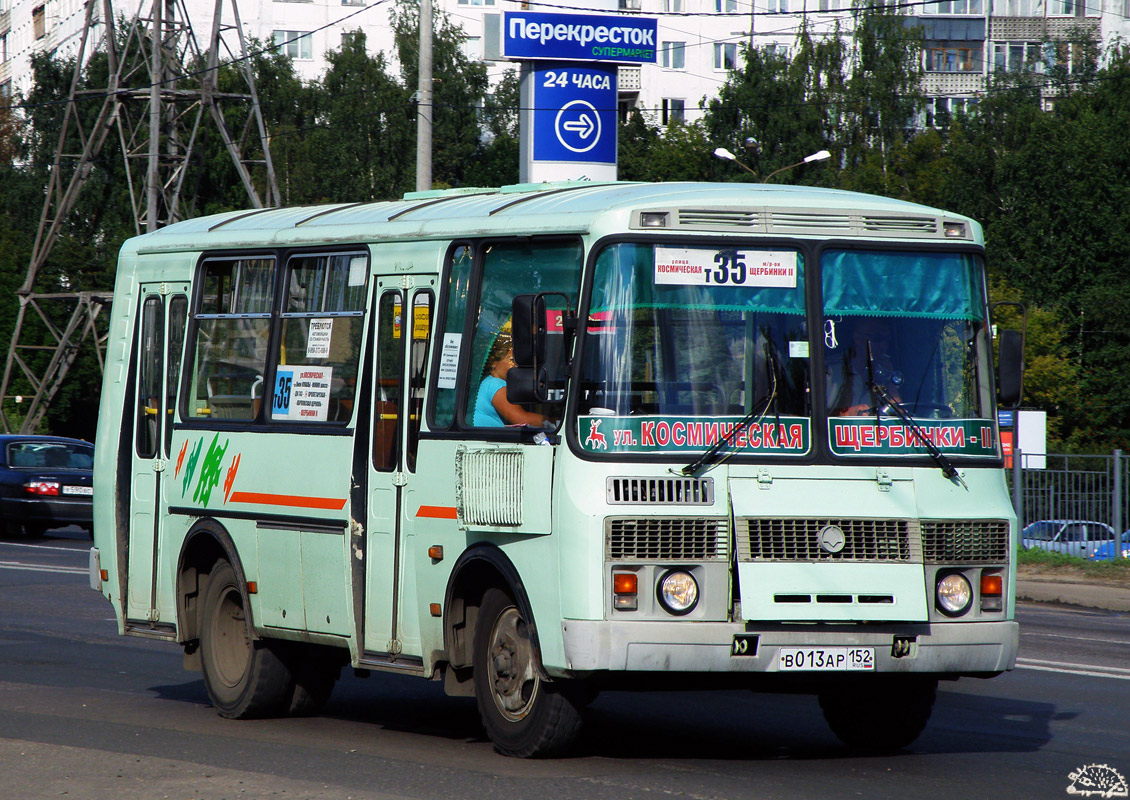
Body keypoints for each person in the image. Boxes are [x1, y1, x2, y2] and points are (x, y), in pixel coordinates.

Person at [826, 316, 902, 417]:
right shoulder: (831, 370)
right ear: (857, 338)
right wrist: (847, 413)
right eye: (877, 339)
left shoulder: (882, 373)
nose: (883, 346)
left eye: (887, 340)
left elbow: (898, 417)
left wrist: (890, 380)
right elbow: (815, 416)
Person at [473, 329, 546, 427]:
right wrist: (556, 421)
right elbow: (521, 419)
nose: (516, 365)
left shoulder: (486, 382)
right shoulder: (495, 384)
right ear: (494, 362)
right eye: (512, 360)